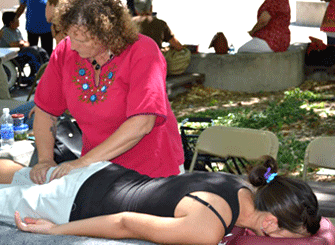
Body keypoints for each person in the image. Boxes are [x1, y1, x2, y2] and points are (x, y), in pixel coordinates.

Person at [0, 156, 321, 244]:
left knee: (20, 174)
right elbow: (125, 223)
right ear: (269, 221)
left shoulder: (241, 186)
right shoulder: (207, 228)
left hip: (102, 173)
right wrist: (54, 230)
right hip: (74, 201)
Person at [30, 0, 184, 184]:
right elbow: (46, 109)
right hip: (97, 170)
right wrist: (45, 160)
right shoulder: (65, 52)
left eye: (82, 40)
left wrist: (82, 163)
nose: (73, 46)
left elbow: (142, 122)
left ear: (107, 34)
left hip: (151, 172)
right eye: (71, 37)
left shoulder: (143, 51)